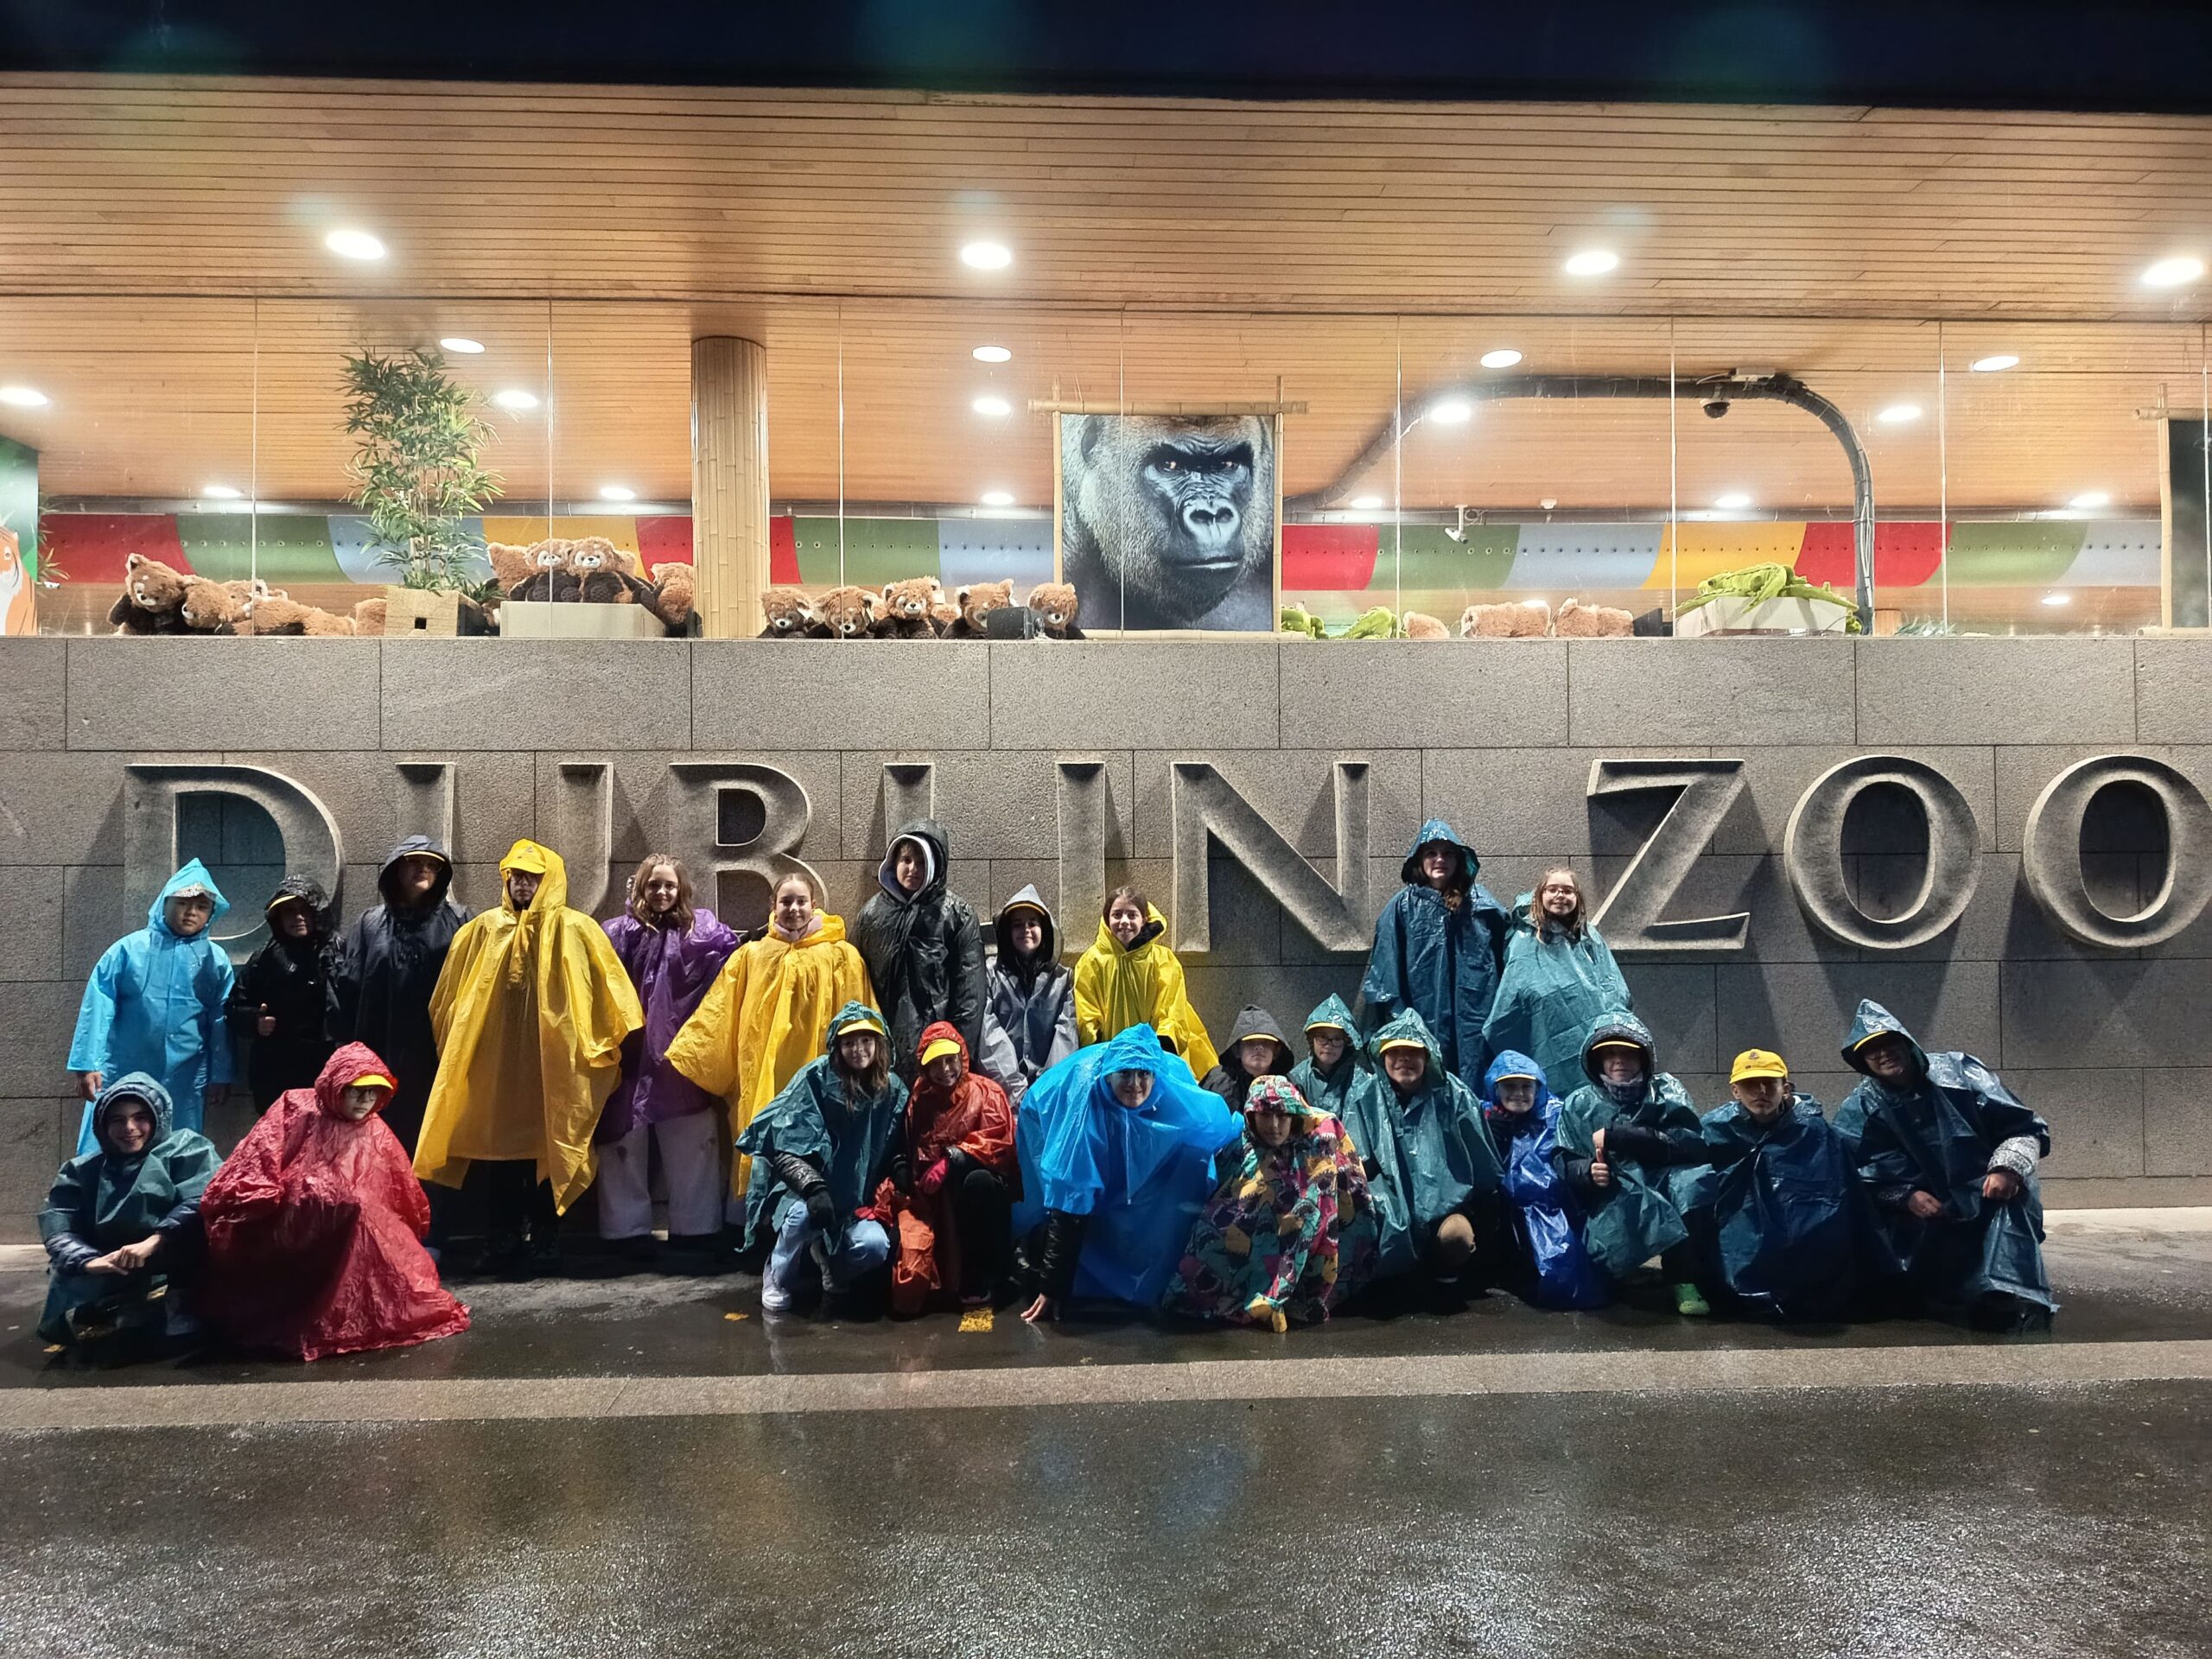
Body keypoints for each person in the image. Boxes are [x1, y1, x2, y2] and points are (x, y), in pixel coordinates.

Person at [413, 840, 644, 1275]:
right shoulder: (481, 930)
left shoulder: (577, 929)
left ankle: (545, 1238)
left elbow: (611, 996)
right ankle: (501, 1238)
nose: (522, 884)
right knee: (499, 1158)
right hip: (496, 1070)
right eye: (516, 876)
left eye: (532, 877)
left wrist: (598, 1050)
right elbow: (447, 999)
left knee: (549, 1153)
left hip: (552, 1070)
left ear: (548, 880)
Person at [199, 1042, 471, 1361]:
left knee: (364, 1218)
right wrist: (270, 1193)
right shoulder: (297, 1107)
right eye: (357, 1091)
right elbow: (258, 1154)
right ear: (336, 1087)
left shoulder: (375, 1128)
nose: (365, 1100)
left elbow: (401, 1188)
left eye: (373, 1093)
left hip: (357, 1221)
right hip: (293, 1216)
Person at [666, 868, 874, 1242]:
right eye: (786, 901)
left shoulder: (841, 956)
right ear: (772, 906)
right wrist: (695, 1053)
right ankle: (755, 1229)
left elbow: (858, 1015)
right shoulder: (752, 956)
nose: (793, 909)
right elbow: (722, 1012)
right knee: (760, 1141)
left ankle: (810, 1234)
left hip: (817, 1074)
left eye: (801, 901)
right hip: (762, 1073)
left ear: (814, 905)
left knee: (815, 1145)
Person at [1833, 1000, 2056, 1329]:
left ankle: (2008, 1294)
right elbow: (1857, 1171)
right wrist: (1903, 1196)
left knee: (2010, 1205)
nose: (1883, 1054)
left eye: (1888, 1042)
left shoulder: (1959, 1073)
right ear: (1862, 1061)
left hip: (1988, 1188)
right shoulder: (1862, 1106)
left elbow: (2024, 1129)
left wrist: (2007, 1169)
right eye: (1871, 1050)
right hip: (1927, 1200)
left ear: (1906, 1042)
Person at [1013, 1024, 1239, 1322]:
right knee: (1071, 1193)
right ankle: (1046, 1261)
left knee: (1185, 1168)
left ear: (1155, 1075)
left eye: (1143, 1074)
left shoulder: (1172, 1084)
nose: (1135, 1084)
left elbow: (1209, 1127)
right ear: (1109, 1075)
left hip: (1129, 1116)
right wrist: (1053, 1287)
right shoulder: (1084, 1105)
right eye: (1125, 1074)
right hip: (1049, 1113)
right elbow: (1070, 1196)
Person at [597, 855, 742, 1260]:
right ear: (641, 888)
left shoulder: (703, 933)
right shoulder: (616, 934)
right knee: (622, 1146)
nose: (662, 892)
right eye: (654, 885)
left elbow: (731, 964)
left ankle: (696, 1231)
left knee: (693, 1145)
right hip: (628, 1057)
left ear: (682, 889)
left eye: (669, 885)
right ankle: (625, 1233)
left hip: (681, 1060)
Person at [1163, 1075, 1376, 1330]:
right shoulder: (1238, 1147)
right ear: (1251, 1116)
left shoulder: (1321, 1142)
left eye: (1283, 1116)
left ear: (1295, 1116)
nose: (1274, 1125)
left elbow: (1350, 1190)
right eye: (1264, 1115)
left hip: (1309, 1239)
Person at [736, 1001, 908, 1314]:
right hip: (807, 1193)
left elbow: (896, 1138)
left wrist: (900, 1166)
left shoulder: (892, 1088)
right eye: (849, 1042)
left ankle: (832, 1266)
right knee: (800, 1217)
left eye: (866, 1040)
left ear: (878, 1043)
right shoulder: (814, 1078)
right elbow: (785, 1144)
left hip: (856, 1203)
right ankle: (777, 1275)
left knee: (875, 1246)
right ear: (837, 1046)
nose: (859, 1049)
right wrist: (814, 1188)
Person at [37, 1072, 219, 1363]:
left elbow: (201, 1199)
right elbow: (59, 1224)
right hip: (114, 1257)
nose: (129, 1128)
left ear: (158, 1118)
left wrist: (155, 1241)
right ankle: (123, 1298)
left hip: (172, 1248)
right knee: (64, 1268)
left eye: (140, 1117)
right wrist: (88, 1261)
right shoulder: (83, 1169)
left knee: (204, 1236)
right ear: (103, 1124)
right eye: (117, 1120)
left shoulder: (189, 1150)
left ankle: (182, 1300)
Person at [67, 859, 234, 1155]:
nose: (191, 912)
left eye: (202, 906)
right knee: (110, 1137)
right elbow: (98, 1004)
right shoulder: (128, 950)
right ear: (164, 903)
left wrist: (220, 1074)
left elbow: (221, 1020)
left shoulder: (215, 959)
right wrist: (87, 1063)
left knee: (178, 1146)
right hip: (123, 1067)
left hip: (185, 1073)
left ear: (212, 913)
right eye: (182, 903)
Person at [1685, 1048, 1861, 1322]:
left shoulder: (1813, 1130)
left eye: (1770, 1083)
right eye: (1750, 1084)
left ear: (1786, 1089)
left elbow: (1833, 1192)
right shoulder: (1716, 1128)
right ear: (1735, 1091)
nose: (1761, 1091)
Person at [1554, 1012, 1711, 1317]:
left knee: (1692, 1186)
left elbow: (1690, 1144)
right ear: (1597, 1060)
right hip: (1613, 1192)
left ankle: (1683, 1278)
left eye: (1627, 1053)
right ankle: (1616, 1274)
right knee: (1607, 1258)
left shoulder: (1666, 1090)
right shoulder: (1579, 1103)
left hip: (1662, 1181)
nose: (1618, 1060)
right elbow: (1563, 1157)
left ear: (1643, 1057)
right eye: (1609, 1053)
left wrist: (1620, 1137)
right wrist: (1587, 1171)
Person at [326, 835, 470, 1157]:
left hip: (437, 1055)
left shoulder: (462, 921)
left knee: (436, 1146)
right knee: (384, 1145)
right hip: (381, 1051)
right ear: (396, 869)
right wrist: (345, 1052)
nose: (423, 869)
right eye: (414, 862)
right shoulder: (370, 924)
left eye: (432, 865)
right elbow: (346, 987)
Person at [1360, 1009, 1507, 1293]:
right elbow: (1358, 1161)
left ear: (1427, 1056)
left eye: (1412, 1052)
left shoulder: (1455, 1095)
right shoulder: (1366, 1096)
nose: (1403, 1059)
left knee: (1456, 1235)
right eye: (1395, 1052)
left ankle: (1444, 1278)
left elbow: (1483, 1163)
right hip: (1389, 1208)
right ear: (1383, 1057)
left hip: (1446, 1208)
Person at [1360, 819, 1510, 1092]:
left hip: (1473, 1020)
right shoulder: (1402, 907)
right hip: (1421, 1016)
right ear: (1420, 859)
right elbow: (1385, 972)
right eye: (1431, 853)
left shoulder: (1482, 906)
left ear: (1459, 860)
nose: (1440, 859)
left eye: (1448, 853)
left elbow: (1508, 955)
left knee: (1471, 1085)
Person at [879, 1021, 1018, 1313]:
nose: (944, 1070)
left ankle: (987, 1274)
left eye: (950, 1060)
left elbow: (999, 1146)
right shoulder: (920, 1097)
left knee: (979, 1183)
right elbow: (906, 1143)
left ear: (962, 1057)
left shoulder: (986, 1092)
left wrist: (953, 1160)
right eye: (935, 1063)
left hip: (974, 1198)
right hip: (932, 1199)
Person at [849, 818, 988, 1084]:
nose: (913, 869)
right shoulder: (872, 915)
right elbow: (854, 981)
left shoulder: (956, 914)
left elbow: (970, 993)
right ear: (893, 862)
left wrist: (959, 1053)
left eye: (922, 862)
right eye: (906, 860)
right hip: (881, 1048)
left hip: (938, 1050)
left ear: (935, 865)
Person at [1481, 867, 1632, 1097]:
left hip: (1588, 1032)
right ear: (1540, 894)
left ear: (1577, 897)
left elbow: (1613, 986)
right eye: (1553, 889)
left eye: (1568, 891)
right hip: (1541, 1031)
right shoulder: (1523, 937)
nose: (1560, 895)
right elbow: (1513, 989)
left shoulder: (1589, 936)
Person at [1482, 1050, 1608, 1310]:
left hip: (1555, 1209)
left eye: (1526, 1086)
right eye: (1510, 1086)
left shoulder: (1557, 1116)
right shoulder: (1485, 1116)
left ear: (1538, 1088)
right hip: (1504, 1215)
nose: (1519, 1093)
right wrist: (1491, 1138)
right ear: (1496, 1088)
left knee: (1562, 1273)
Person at [1071, 886, 1219, 1077]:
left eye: (1132, 915)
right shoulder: (1090, 961)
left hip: (1155, 1060)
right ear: (1107, 919)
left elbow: (1171, 1009)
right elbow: (1086, 1014)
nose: (1124, 921)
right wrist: (1096, 1055)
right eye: (1117, 915)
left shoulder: (1163, 959)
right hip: (1108, 1063)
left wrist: (1159, 1051)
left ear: (1144, 919)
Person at [228, 875, 337, 1111]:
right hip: (275, 1068)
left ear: (316, 912)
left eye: (304, 910)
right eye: (289, 911)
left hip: (324, 1064)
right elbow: (235, 1006)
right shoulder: (265, 957)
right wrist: (254, 1021)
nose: (298, 917)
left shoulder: (338, 952)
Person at [977, 885, 1077, 1106]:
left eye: (1033, 923)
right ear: (1007, 932)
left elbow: (1066, 1036)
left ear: (1045, 929)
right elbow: (987, 1031)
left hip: (1049, 1096)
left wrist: (1046, 1088)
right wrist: (1014, 1088)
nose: (1026, 930)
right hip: (1000, 1093)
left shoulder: (1063, 979)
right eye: (1017, 924)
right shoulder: (989, 974)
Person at [1198, 1004, 1296, 1112]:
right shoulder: (1217, 1083)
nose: (1259, 1047)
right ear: (1236, 1050)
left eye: (1266, 1042)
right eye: (1250, 1042)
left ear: (1276, 1051)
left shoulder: (1290, 1087)